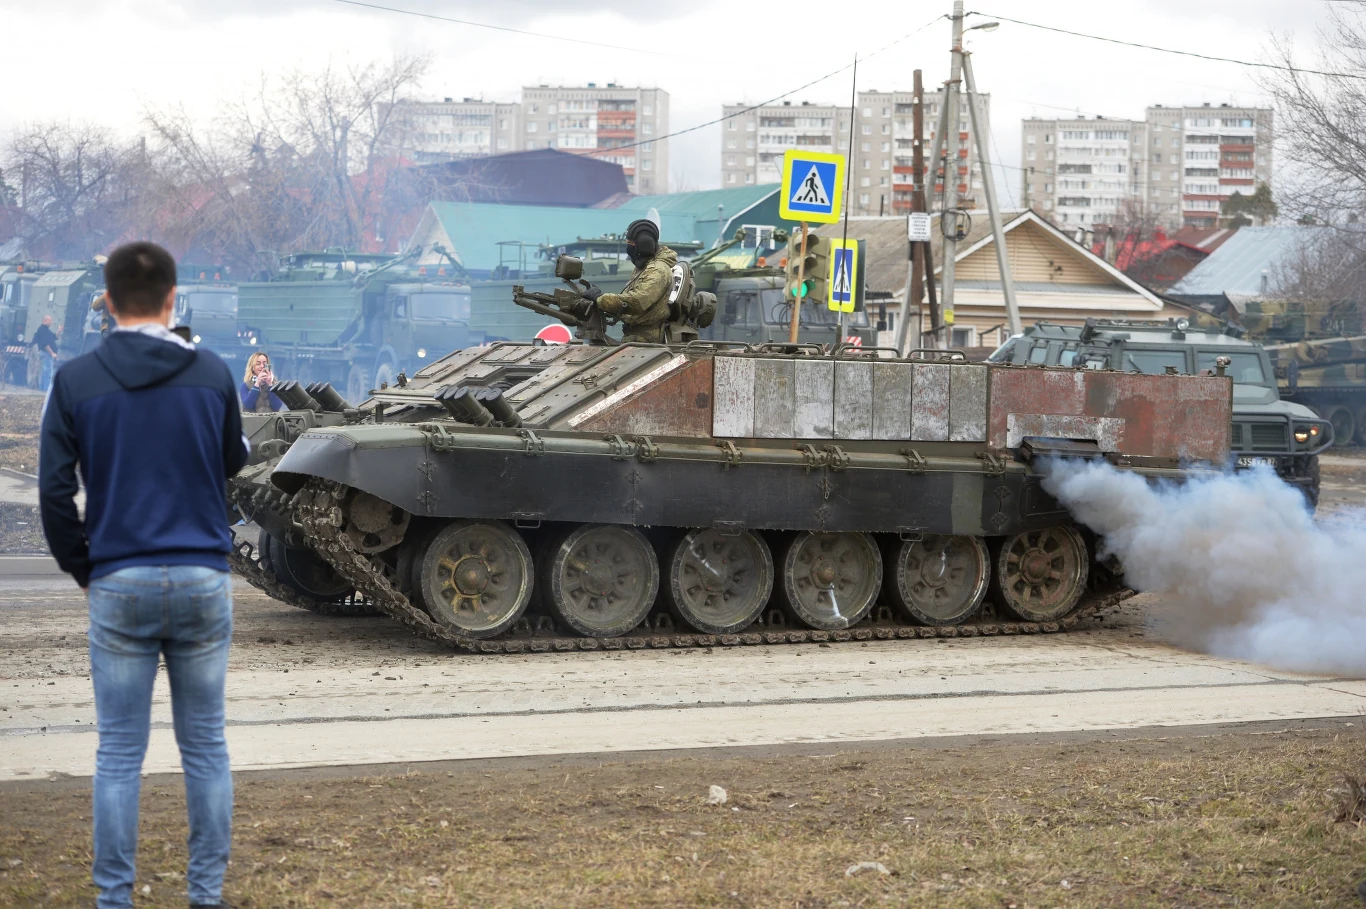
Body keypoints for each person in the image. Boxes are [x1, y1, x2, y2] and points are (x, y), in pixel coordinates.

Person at [39, 241, 248, 909]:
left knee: (118, 755)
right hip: (201, 575)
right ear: (172, 298)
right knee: (207, 748)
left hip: (119, 578)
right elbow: (233, 463)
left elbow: (51, 491)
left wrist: (84, 565)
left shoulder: (74, 381)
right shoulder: (213, 373)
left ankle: (113, 900)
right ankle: (205, 896)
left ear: (105, 300)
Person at [583, 219, 676, 343]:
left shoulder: (658, 270)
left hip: (647, 341)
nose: (628, 248)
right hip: (636, 338)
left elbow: (637, 301)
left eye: (630, 244)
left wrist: (601, 298)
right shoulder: (644, 267)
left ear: (643, 245)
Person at [32, 314, 59, 391]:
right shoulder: (42, 330)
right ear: (44, 320)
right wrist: (52, 353)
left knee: (45, 372)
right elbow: (45, 344)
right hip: (46, 354)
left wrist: (59, 331)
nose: (51, 322)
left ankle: (43, 389)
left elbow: (54, 337)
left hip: (47, 354)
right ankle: (46, 390)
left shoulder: (46, 330)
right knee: (48, 372)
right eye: (49, 321)